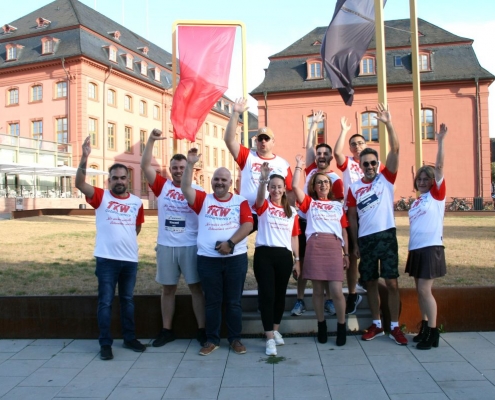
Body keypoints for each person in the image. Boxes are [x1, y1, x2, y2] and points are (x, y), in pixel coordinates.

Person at [76, 136, 146, 360]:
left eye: (122, 178)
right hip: (106, 259)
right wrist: (84, 157)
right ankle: (105, 343)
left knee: (127, 300)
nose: (119, 181)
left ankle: (129, 338)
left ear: (128, 179)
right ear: (109, 181)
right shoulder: (101, 197)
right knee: (105, 302)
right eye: (114, 178)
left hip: (129, 260)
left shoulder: (136, 202)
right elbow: (79, 184)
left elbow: (136, 228)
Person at [181, 149, 253, 356]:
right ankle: (212, 340)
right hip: (208, 260)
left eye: (223, 180)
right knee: (211, 301)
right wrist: (190, 164)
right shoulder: (203, 199)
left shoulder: (240, 202)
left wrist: (230, 243)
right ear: (211, 182)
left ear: (230, 183)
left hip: (235, 259)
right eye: (216, 179)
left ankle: (235, 339)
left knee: (233, 301)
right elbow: (185, 188)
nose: (219, 183)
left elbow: (247, 225)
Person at [347, 103, 408, 346]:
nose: (370, 166)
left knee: (391, 282)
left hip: (387, 236)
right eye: (366, 164)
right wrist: (356, 242)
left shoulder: (386, 179)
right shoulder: (354, 187)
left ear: (378, 164)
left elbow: (396, 147)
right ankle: (376, 324)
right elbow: (352, 217)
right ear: (360, 165)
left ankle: (394, 326)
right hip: (366, 239)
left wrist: (388, 123)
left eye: (373, 163)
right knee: (370, 281)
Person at [140, 129, 206, 348]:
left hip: (190, 246)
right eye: (175, 168)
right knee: (168, 289)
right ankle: (167, 330)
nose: (179, 171)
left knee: (196, 288)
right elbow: (144, 166)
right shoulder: (162, 187)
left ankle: (202, 330)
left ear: (190, 167)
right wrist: (150, 140)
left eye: (183, 167)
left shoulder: (198, 190)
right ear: (170, 169)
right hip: (167, 246)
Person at [291, 110, 345, 318]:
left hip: (324, 227)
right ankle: (299, 300)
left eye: (325, 154)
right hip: (305, 221)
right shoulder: (312, 169)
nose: (320, 156)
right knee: (303, 261)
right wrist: (313, 125)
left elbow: (338, 206)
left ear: (331, 157)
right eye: (318, 153)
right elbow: (308, 147)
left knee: (328, 267)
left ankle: (330, 300)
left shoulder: (336, 179)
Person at [292, 155, 349, 346]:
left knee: (336, 290)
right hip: (315, 246)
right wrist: (299, 167)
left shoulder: (337, 206)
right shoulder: (310, 203)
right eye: (319, 183)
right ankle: (321, 325)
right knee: (317, 291)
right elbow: (294, 188)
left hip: (333, 247)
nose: (323, 185)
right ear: (314, 187)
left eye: (326, 182)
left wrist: (346, 253)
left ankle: (342, 326)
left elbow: (343, 231)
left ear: (330, 186)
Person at [334, 117, 384, 315]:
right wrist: (344, 130)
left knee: (370, 251)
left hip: (371, 213)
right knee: (352, 253)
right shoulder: (347, 163)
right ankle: (353, 293)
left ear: (366, 145)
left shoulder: (374, 164)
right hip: (351, 211)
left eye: (360, 143)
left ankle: (368, 281)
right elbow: (337, 153)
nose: (357, 146)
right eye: (353, 144)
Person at [406, 124, 448, 350]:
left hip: (431, 247)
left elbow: (439, 166)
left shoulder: (436, 195)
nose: (422, 181)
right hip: (417, 248)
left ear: (432, 181)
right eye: (419, 178)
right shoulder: (417, 201)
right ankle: (424, 326)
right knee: (418, 290)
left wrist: (440, 141)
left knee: (425, 289)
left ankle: (433, 332)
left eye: (426, 178)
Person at [224, 97, 293, 231]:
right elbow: (229, 140)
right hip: (247, 212)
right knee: (236, 240)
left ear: (273, 142)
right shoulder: (247, 156)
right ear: (256, 141)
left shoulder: (283, 163)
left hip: (271, 213)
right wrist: (235, 114)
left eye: (266, 139)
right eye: (260, 138)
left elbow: (289, 191)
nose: (263, 141)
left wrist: (289, 211)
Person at [254, 162, 300, 356]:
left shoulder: (292, 212)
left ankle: (275, 330)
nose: (275, 190)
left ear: (284, 189)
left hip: (284, 256)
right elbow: (257, 200)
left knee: (280, 295)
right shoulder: (264, 205)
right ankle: (269, 338)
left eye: (279, 187)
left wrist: (297, 259)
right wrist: (263, 179)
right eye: (272, 186)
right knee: (268, 295)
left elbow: (294, 237)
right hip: (264, 254)